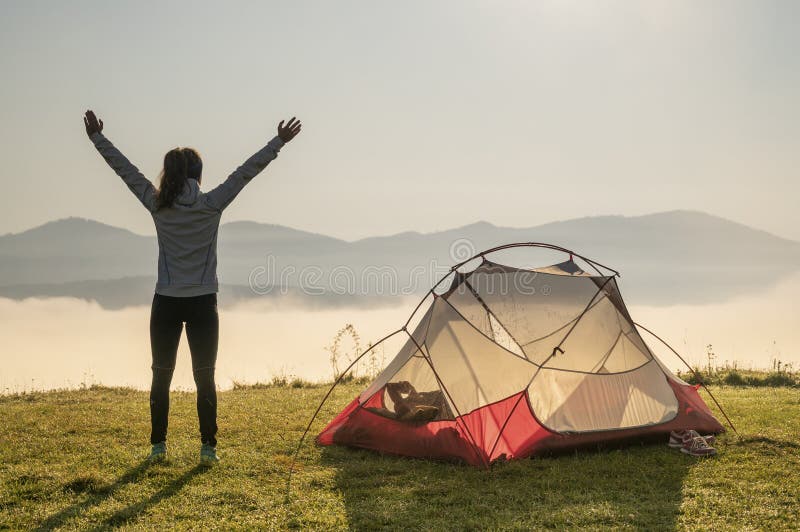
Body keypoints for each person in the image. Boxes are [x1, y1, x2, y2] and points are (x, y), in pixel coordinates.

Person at [83, 110, 302, 463]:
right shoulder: (211, 204)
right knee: (205, 377)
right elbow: (245, 172)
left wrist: (97, 139)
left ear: (170, 175)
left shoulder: (158, 205)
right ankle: (208, 448)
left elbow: (125, 171)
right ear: (198, 176)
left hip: (166, 302)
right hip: (203, 303)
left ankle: (158, 447)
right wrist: (278, 142)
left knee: (161, 376)